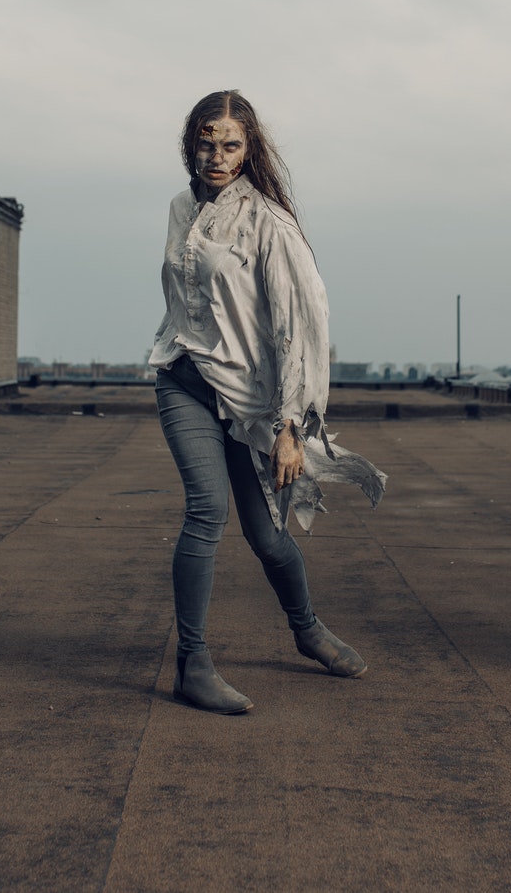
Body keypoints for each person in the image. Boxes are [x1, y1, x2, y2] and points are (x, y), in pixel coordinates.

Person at [148, 90, 387, 713]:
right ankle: (192, 666)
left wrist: (289, 426)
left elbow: (300, 330)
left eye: (231, 144)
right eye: (206, 141)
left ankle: (307, 630)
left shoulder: (269, 222)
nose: (216, 155)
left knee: (269, 536)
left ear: (250, 149)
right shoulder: (179, 208)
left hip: (254, 406)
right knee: (206, 510)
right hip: (184, 381)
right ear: (189, 143)